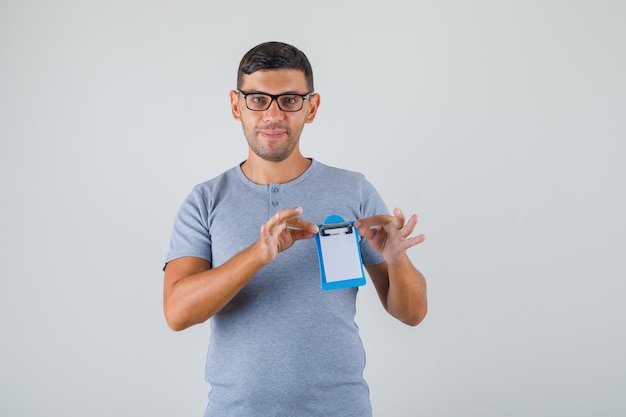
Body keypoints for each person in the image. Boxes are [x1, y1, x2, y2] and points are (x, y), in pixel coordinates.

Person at [163, 41, 428, 417]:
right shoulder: (205, 200)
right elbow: (177, 312)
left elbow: (412, 313)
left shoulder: (353, 190)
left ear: (311, 107)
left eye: (289, 100)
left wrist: (398, 261)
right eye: (257, 100)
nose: (272, 115)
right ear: (236, 106)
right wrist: (257, 255)